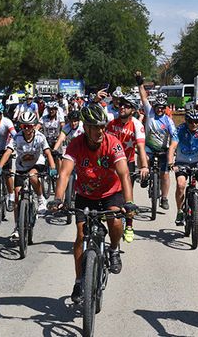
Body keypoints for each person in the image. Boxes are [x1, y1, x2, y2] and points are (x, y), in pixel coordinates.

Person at [47, 104, 138, 304]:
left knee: (115, 221)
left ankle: (114, 249)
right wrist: (58, 199)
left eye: (102, 127)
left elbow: (124, 174)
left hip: (110, 193)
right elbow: (64, 173)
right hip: (86, 195)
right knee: (80, 236)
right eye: (95, 127)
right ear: (86, 128)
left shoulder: (112, 143)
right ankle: (80, 281)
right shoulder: (75, 144)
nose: (100, 131)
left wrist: (129, 202)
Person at [0, 112, 57, 239]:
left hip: (37, 163)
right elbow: (8, 152)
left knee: (32, 176)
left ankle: (41, 199)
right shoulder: (17, 138)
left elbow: (48, 153)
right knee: (17, 196)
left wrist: (52, 167)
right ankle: (17, 227)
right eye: (24, 126)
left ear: (34, 126)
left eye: (30, 126)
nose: (27, 129)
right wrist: (0, 167)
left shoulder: (40, 137)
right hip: (21, 167)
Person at [106, 96, 149, 243]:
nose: (122, 108)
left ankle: (129, 226)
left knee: (127, 196)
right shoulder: (111, 123)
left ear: (132, 110)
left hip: (127, 163)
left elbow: (141, 148)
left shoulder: (137, 125)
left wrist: (144, 166)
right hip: (111, 163)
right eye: (120, 106)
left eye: (126, 106)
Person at [137, 72, 177, 211]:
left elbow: (174, 137)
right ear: (154, 107)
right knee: (142, 156)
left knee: (165, 174)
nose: (159, 109)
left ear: (165, 108)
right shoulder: (149, 113)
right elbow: (143, 97)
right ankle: (144, 176)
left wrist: (172, 151)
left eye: (162, 107)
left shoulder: (168, 121)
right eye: (157, 107)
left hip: (163, 150)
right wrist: (139, 83)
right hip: (149, 147)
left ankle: (164, 198)